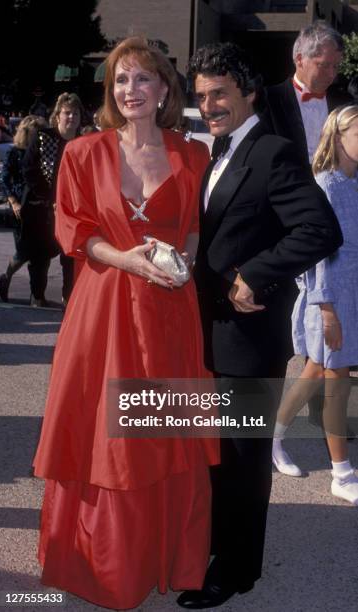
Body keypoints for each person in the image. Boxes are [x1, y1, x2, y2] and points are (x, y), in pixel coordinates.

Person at [33, 37, 219, 610]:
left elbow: (189, 228)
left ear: (164, 88)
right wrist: (126, 259)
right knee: (104, 434)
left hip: (168, 308)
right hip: (104, 306)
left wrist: (179, 262)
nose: (130, 90)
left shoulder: (192, 154)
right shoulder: (83, 152)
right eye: (120, 80)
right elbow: (75, 231)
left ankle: (166, 555)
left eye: (142, 79)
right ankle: (104, 561)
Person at [176, 42, 343, 610]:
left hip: (248, 338)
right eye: (202, 96)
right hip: (209, 333)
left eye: (220, 93)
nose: (211, 105)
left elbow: (320, 230)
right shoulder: (213, 152)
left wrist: (257, 275)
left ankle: (237, 571)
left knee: (244, 458)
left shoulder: (272, 151)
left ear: (249, 92)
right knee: (218, 451)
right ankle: (217, 550)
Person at [272, 105, 358, 504]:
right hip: (328, 297)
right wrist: (326, 308)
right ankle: (342, 473)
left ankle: (272, 435)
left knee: (314, 371)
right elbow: (316, 253)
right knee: (334, 378)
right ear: (337, 136)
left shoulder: (354, 183)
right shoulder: (323, 184)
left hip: (351, 292)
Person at [22, 92, 84, 306]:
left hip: (73, 209)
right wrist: (52, 199)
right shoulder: (43, 137)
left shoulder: (84, 142)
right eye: (67, 113)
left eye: (75, 113)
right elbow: (29, 170)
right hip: (41, 208)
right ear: (57, 116)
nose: (71, 117)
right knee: (40, 257)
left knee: (70, 256)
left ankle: (69, 297)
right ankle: (37, 296)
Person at [265, 20, 350, 169]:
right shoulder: (268, 100)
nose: (332, 74)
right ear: (299, 60)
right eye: (323, 65)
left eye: (336, 66)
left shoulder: (345, 102)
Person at [0, 115, 48, 303]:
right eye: (35, 132)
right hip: (21, 208)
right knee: (24, 252)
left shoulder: (45, 152)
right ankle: (6, 276)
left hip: (42, 208)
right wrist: (13, 201)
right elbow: (4, 179)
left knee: (43, 253)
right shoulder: (15, 152)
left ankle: (38, 295)